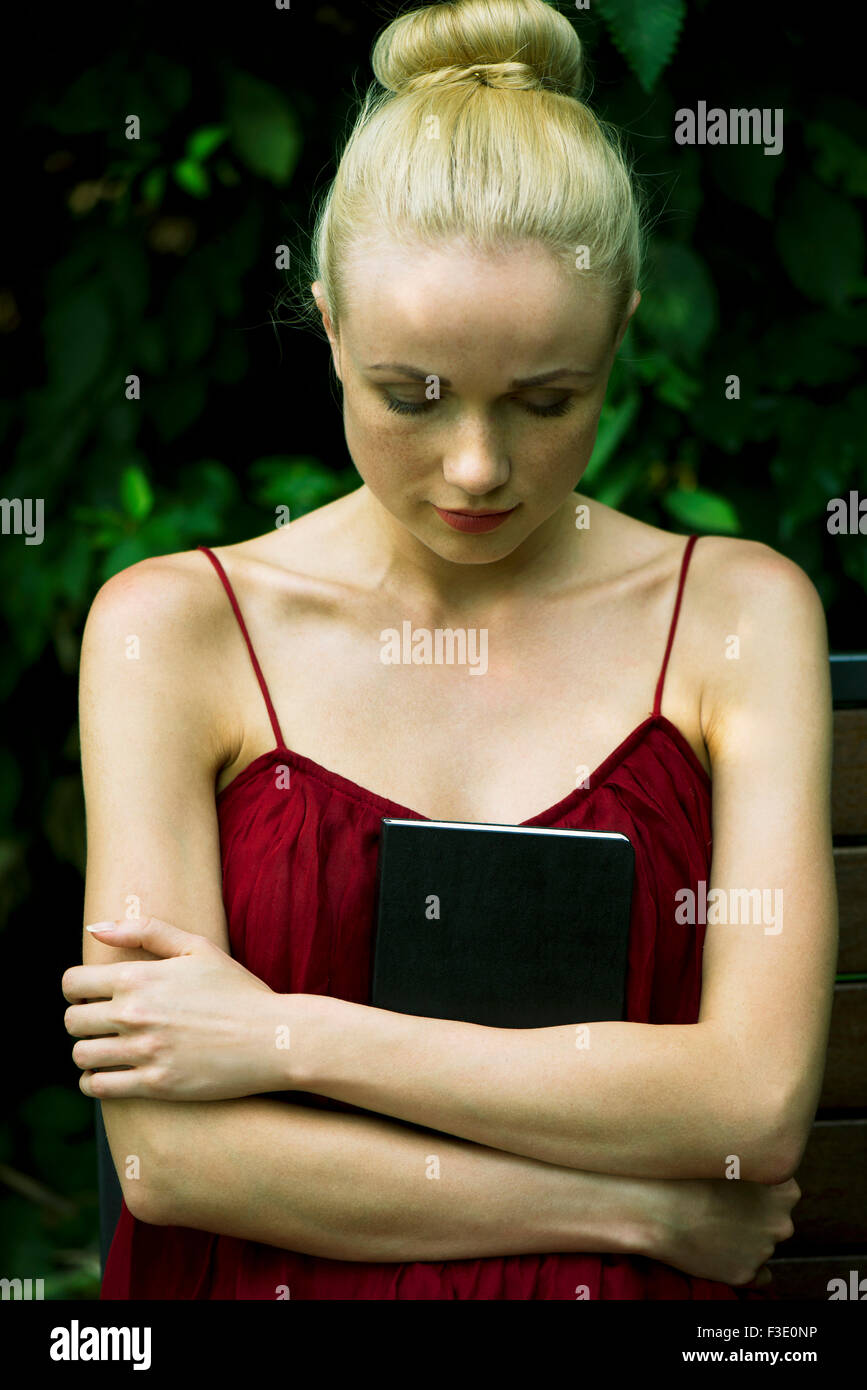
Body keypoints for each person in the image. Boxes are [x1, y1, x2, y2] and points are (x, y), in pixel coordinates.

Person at [65, 0, 835, 1300]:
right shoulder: (171, 629)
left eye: (548, 401)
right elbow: (176, 1162)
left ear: (622, 336)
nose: (477, 467)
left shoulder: (741, 615)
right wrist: (627, 1203)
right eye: (410, 394)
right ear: (325, 325)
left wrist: (278, 1033)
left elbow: (751, 1104)